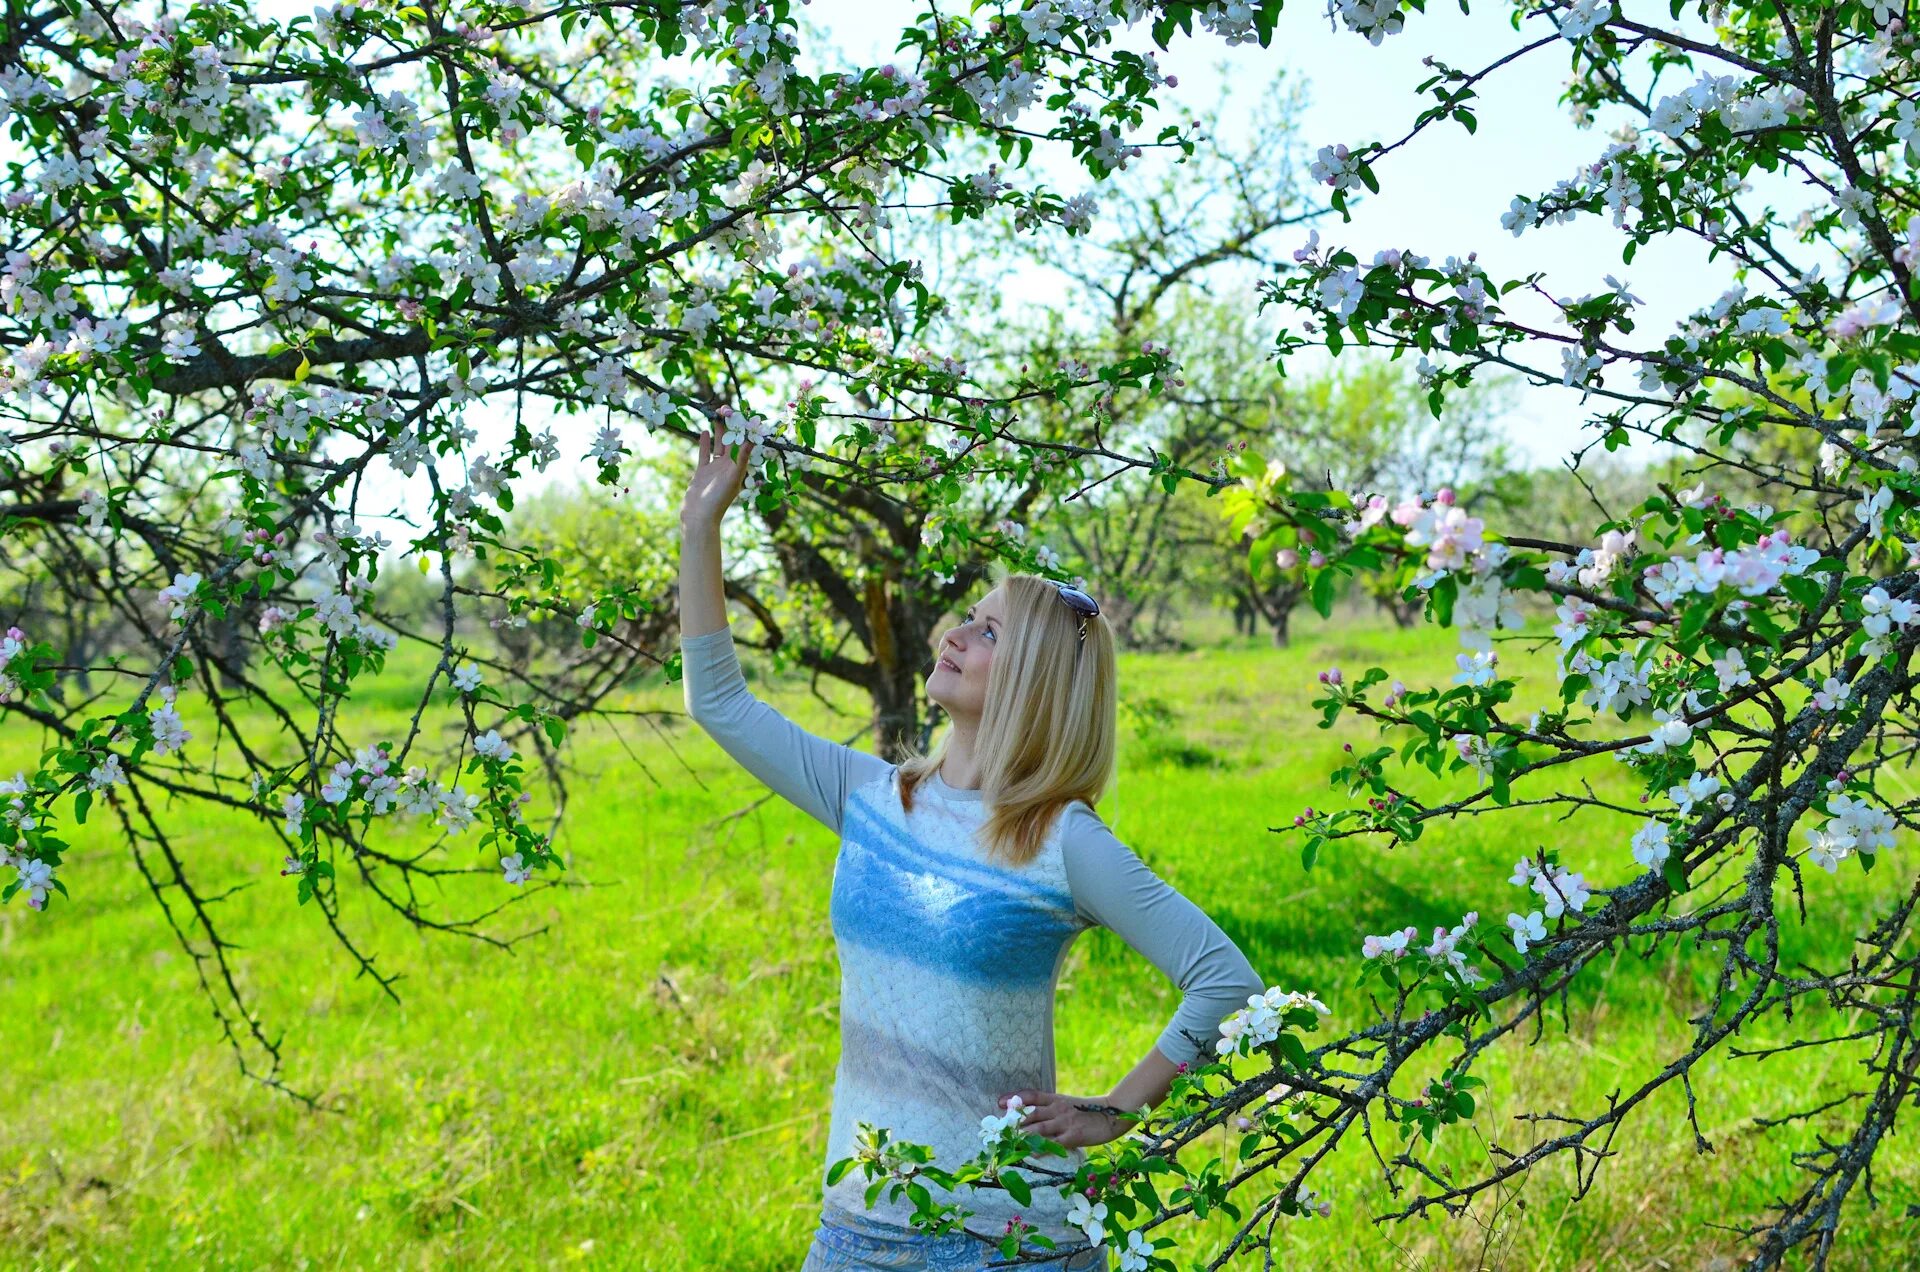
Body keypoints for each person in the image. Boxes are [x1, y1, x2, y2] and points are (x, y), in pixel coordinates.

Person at [676, 419, 1266, 1270]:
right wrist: (702, 531)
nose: (954, 633)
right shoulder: (872, 798)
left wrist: (1116, 1110)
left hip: (1010, 1240)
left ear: (1034, 680)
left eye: (989, 632)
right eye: (968, 617)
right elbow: (720, 703)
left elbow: (1225, 980)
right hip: (859, 1224)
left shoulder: (1063, 843)